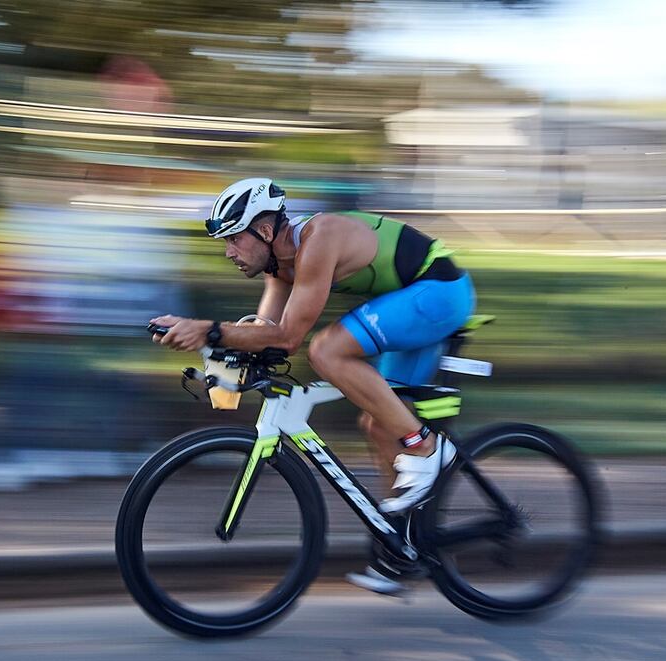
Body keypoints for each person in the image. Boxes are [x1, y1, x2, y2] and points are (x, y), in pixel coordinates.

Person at [150, 177, 475, 594]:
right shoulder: (277, 267)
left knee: (327, 351)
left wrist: (208, 330)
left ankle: (429, 449)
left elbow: (288, 338)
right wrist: (206, 339)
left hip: (439, 291)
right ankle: (405, 546)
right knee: (380, 423)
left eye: (234, 239)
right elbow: (265, 331)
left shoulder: (317, 240)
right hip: (413, 300)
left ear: (265, 231)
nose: (229, 251)